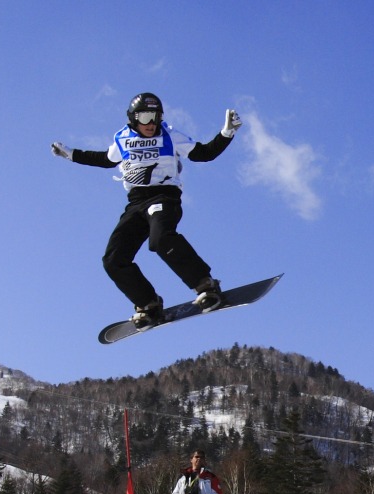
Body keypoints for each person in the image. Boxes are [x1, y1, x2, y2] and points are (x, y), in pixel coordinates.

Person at [52, 93, 241, 328]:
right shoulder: (123, 139)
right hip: (135, 203)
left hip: (164, 196)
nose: (151, 123)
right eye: (145, 117)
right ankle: (147, 303)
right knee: (113, 259)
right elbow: (104, 159)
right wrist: (71, 155)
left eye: (156, 117)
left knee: (160, 240)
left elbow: (204, 153)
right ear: (133, 118)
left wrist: (226, 133)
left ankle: (205, 284)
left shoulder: (170, 135)